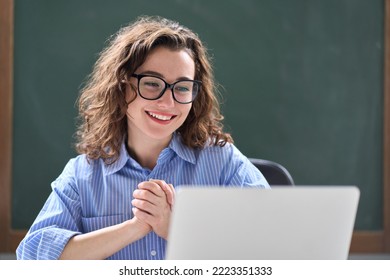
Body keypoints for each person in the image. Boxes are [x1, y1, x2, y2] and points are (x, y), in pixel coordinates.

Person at [16, 15, 269, 260]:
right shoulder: (84, 174)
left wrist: (174, 228)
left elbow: (270, 245)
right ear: (122, 84)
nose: (167, 102)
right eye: (151, 83)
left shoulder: (222, 161)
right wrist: (135, 227)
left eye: (182, 88)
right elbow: (32, 257)